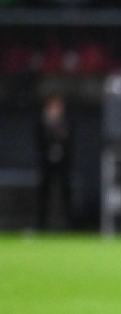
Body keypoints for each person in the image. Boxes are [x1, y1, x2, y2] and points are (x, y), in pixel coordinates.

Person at [36, 94, 72, 230]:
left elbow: (70, 142)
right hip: (46, 163)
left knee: (65, 192)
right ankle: (41, 224)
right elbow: (39, 141)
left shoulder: (66, 123)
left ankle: (68, 224)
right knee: (44, 193)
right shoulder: (42, 122)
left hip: (63, 163)